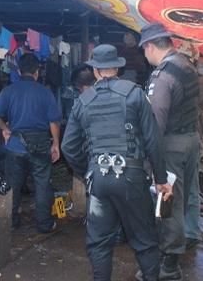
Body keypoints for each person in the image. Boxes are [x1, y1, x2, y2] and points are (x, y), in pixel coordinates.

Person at [61, 44, 173, 281]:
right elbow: (153, 140)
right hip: (132, 177)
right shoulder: (135, 93)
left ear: (95, 70)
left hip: (99, 180)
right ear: (117, 68)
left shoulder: (83, 101)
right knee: (144, 240)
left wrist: (88, 172)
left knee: (99, 243)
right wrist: (161, 180)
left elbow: (68, 147)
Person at [139, 23, 201, 280]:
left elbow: (156, 123)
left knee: (167, 203)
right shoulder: (187, 66)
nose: (145, 56)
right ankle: (174, 255)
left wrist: (149, 161)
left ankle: (168, 266)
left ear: (150, 46)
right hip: (191, 140)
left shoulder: (162, 76)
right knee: (181, 200)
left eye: (144, 50)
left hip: (172, 145)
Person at [0, 53, 61, 233]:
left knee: (13, 185)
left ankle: (12, 222)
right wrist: (56, 144)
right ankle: (44, 224)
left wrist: (4, 128)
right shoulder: (45, 92)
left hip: (15, 145)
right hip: (40, 145)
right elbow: (54, 121)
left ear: (19, 71)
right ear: (37, 72)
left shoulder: (9, 90)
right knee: (43, 184)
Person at [177, 42, 203, 249]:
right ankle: (184, 229)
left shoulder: (198, 81)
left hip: (193, 137)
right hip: (188, 138)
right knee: (182, 187)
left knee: (189, 189)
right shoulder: (193, 79)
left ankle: (190, 231)